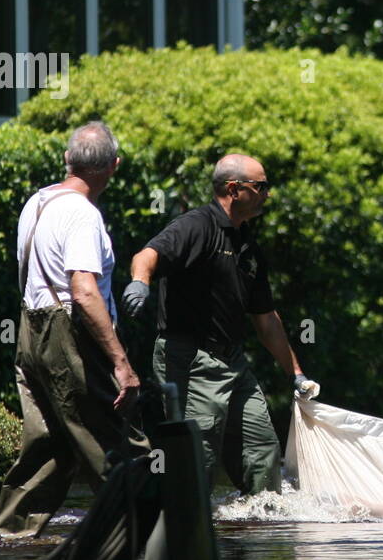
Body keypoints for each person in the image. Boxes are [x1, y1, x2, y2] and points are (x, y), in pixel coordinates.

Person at [121, 153, 318, 495]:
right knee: (199, 457)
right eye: (261, 186)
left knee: (262, 451)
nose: (267, 194)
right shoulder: (196, 226)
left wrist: (296, 374)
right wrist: (140, 282)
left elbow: (267, 319)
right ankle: (186, 530)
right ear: (233, 189)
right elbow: (147, 255)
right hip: (191, 361)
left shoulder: (247, 245)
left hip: (233, 363)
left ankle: (258, 529)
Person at [0, 122, 149, 539]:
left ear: (68, 160)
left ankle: (12, 537)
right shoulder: (83, 215)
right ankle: (143, 539)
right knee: (118, 441)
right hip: (70, 338)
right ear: (113, 167)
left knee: (49, 446)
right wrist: (120, 361)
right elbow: (83, 291)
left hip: (31, 332)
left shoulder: (38, 202)